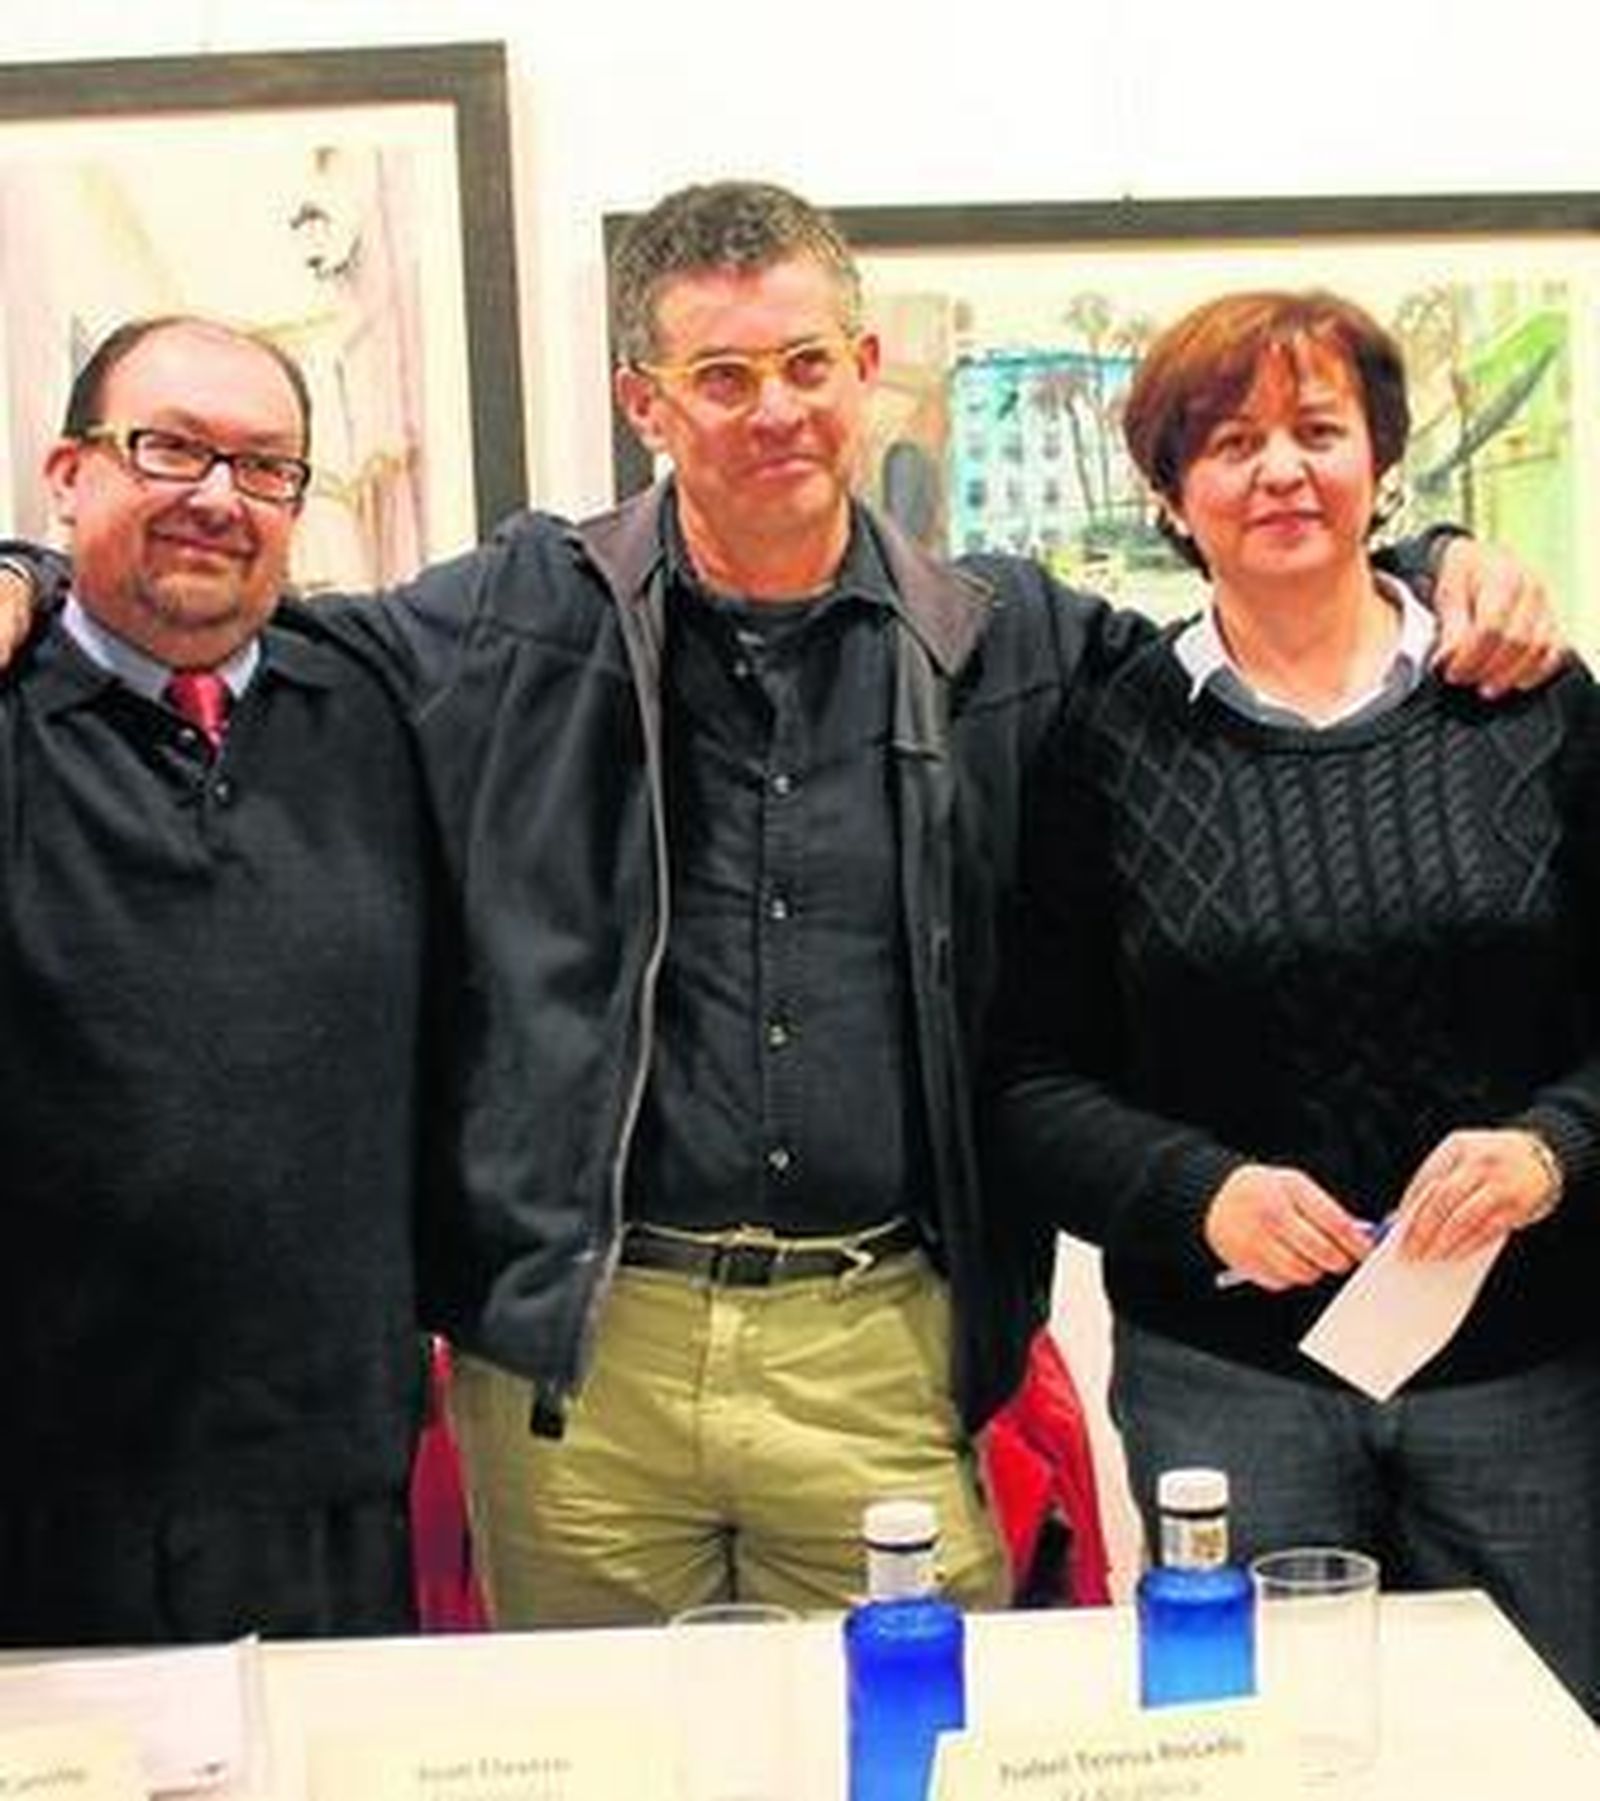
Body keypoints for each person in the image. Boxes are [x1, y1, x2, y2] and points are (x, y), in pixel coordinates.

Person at [0, 186, 1560, 1630]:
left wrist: (1432, 558)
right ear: (646, 402)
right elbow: (247, 609)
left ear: (866, 366)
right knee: (603, 1770)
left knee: (906, 1750)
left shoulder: (1004, 638)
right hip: (583, 1367)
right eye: (723, 376)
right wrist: (31, 568)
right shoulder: (510, 620)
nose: (776, 411)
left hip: (880, 1342)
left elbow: (1259, 613)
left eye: (807, 363)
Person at [989, 289, 1600, 1711]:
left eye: (1319, 430)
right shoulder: (1106, 743)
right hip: (1229, 1384)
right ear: (1171, 493)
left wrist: (1550, 1148)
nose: (1280, 469)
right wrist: (1196, 1190)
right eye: (1231, 441)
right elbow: (1024, 1078)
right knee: (1260, 1748)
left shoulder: (1533, 702)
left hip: (1527, 1377)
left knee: (1548, 1742)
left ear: (1381, 465)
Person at [0, 316, 446, 1646]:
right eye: (170, 448)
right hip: (45, 1502)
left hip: (333, 1487)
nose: (216, 496)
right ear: (69, 471)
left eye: (263, 467)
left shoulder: (380, 704)